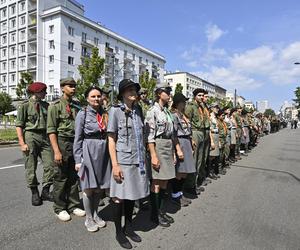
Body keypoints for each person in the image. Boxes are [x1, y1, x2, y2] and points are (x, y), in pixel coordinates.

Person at [107, 79, 149, 249]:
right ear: (122, 93)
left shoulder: (138, 110)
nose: (132, 92)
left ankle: (129, 227)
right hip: (123, 160)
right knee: (119, 197)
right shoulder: (115, 111)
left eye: (134, 89)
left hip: (137, 159)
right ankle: (119, 232)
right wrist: (115, 165)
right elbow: (111, 139)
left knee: (132, 195)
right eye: (128, 89)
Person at [47, 77, 86, 222]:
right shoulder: (55, 106)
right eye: (70, 86)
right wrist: (56, 151)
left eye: (74, 86)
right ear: (62, 88)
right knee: (60, 177)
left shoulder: (77, 105)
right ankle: (59, 207)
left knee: (73, 176)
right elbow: (51, 131)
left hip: (75, 142)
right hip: (62, 142)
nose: (73, 88)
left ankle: (73, 205)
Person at [73, 86, 111, 232]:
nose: (96, 99)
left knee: (98, 188)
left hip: (103, 151)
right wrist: (78, 159)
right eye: (93, 96)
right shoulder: (82, 114)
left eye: (98, 96)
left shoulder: (104, 113)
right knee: (88, 187)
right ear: (87, 98)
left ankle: (96, 214)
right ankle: (89, 218)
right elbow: (78, 138)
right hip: (88, 150)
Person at [145, 83, 183, 227]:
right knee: (156, 182)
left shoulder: (167, 112)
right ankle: (155, 214)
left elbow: (172, 134)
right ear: (159, 93)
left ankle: (160, 210)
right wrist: (153, 155)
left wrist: (174, 151)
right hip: (158, 146)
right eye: (167, 91)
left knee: (165, 180)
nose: (169, 94)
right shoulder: (152, 111)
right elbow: (150, 137)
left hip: (167, 146)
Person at [16, 82, 54, 206]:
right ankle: (34, 192)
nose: (45, 93)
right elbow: (19, 125)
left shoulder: (46, 105)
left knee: (50, 165)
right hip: (30, 136)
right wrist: (22, 143)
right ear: (36, 92)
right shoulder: (25, 105)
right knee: (31, 166)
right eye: (43, 91)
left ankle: (46, 191)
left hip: (45, 136)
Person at [170, 93, 195, 207]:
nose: (185, 103)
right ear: (178, 102)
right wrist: (178, 148)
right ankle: (176, 195)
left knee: (185, 172)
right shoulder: (174, 115)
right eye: (183, 102)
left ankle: (180, 193)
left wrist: (191, 140)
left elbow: (187, 129)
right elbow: (174, 133)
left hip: (186, 142)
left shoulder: (182, 115)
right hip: (179, 142)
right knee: (179, 172)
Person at [184, 88, 206, 195]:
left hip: (201, 132)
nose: (201, 97)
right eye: (199, 95)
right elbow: (187, 122)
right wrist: (191, 138)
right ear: (195, 96)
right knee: (194, 160)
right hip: (195, 133)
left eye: (202, 95)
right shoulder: (190, 106)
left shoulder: (201, 107)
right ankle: (189, 186)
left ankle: (195, 183)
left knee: (199, 160)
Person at [207, 103, 220, 179]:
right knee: (211, 156)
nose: (217, 109)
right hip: (212, 135)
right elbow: (209, 129)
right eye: (216, 107)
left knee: (215, 156)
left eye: (218, 107)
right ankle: (209, 172)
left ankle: (212, 171)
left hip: (216, 135)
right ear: (211, 108)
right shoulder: (210, 117)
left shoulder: (215, 117)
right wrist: (211, 141)